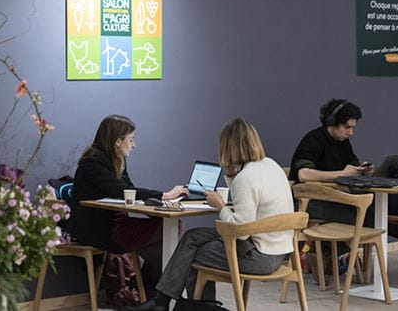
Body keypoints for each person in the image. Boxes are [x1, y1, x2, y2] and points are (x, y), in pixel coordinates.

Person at [128, 118, 294, 311]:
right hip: (278, 252)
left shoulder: (246, 178)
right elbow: (246, 213)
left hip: (259, 258)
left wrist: (221, 206)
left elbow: (240, 231)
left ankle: (174, 304)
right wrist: (231, 176)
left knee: (192, 252)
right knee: (192, 237)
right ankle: (166, 303)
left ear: (227, 146)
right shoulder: (270, 165)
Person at [68, 114, 189, 289]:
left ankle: (147, 294)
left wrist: (156, 203)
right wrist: (165, 195)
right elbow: (122, 191)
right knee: (168, 235)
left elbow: (130, 190)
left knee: (165, 242)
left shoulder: (117, 159)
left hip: (113, 223)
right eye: (131, 140)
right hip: (98, 229)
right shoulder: (92, 162)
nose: (134, 144)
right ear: (118, 142)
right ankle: (147, 292)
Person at [289, 98, 373, 224]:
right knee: (359, 214)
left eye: (353, 128)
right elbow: (303, 174)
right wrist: (343, 174)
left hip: (332, 197)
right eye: (347, 127)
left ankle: (352, 243)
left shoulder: (343, 141)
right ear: (331, 122)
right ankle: (349, 244)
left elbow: (353, 164)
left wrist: (362, 170)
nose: (351, 133)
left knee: (372, 209)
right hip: (310, 200)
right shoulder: (313, 140)